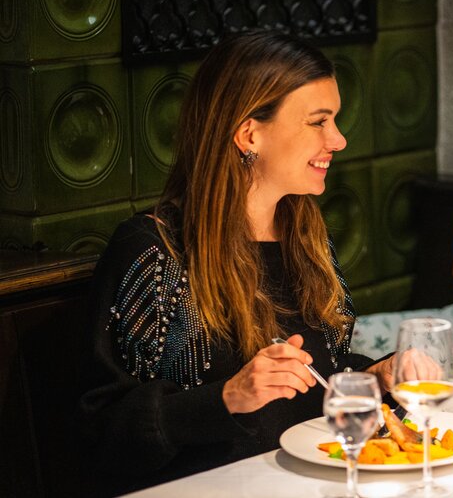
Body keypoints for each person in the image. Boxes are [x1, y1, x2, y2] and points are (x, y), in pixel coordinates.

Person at [78, 30, 404, 495]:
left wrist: (374, 378)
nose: (339, 139)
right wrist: (228, 397)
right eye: (319, 121)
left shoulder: (306, 237)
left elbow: (311, 380)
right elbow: (105, 435)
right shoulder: (155, 252)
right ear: (250, 133)